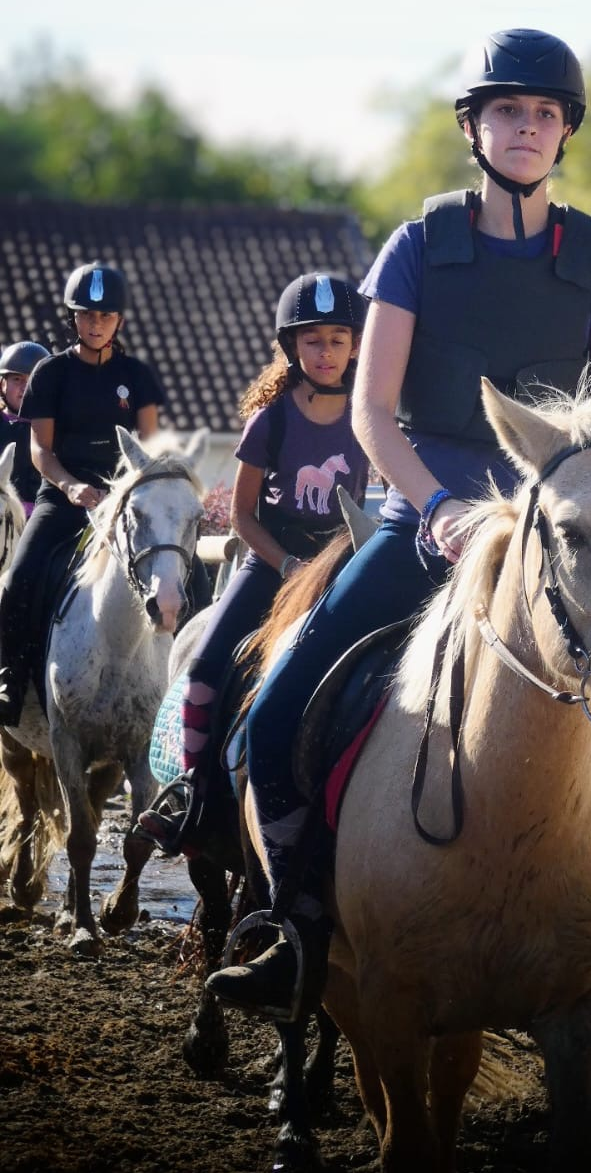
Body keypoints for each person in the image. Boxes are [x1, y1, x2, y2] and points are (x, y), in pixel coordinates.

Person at [207, 27, 591, 1018]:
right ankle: (294, 922)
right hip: (424, 519)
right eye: (506, 110)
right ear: (473, 129)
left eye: (544, 112)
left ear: (564, 132)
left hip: (556, 540)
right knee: (273, 714)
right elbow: (370, 410)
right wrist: (436, 506)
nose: (526, 126)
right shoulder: (414, 249)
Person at [138, 272, 371, 857]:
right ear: (292, 346)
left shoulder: (371, 417)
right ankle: (190, 792)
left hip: (342, 560)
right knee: (205, 666)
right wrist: (288, 564)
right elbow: (242, 517)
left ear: (355, 346)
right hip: (273, 560)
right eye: (313, 340)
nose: (326, 352)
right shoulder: (270, 420)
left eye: (337, 340)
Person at [0, 262, 165, 726]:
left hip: (122, 500)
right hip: (62, 496)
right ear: (73, 317)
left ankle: (186, 678)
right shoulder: (50, 373)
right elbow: (40, 450)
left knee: (183, 572)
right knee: (18, 577)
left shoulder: (137, 376)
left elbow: (149, 451)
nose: (96, 324)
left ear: (119, 320)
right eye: (87, 315)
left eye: (105, 316)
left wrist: (129, 494)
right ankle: (10, 677)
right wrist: (71, 485)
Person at [0, 341, 51, 514]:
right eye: (17, 379)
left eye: (33, 380)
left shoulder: (57, 428)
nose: (26, 388)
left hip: (42, 518)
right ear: (2, 384)